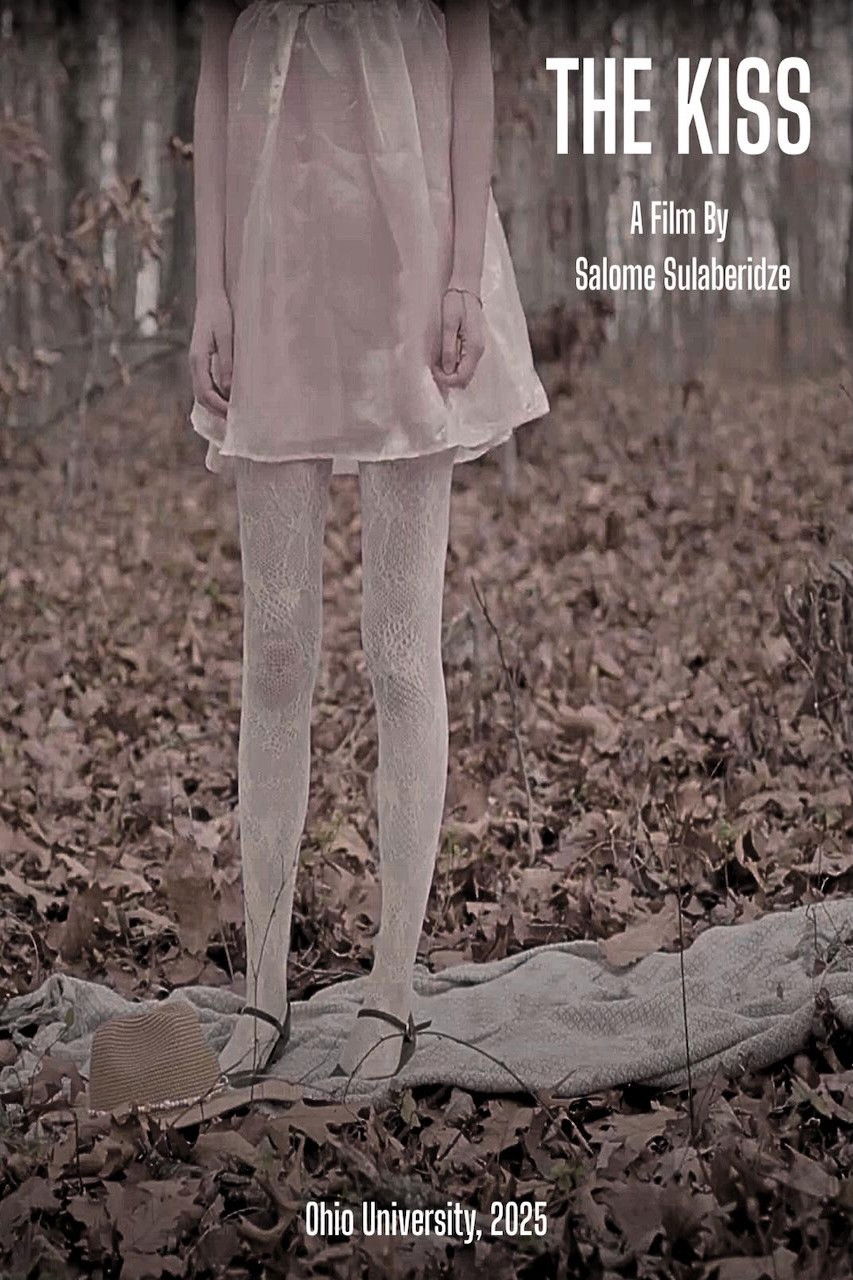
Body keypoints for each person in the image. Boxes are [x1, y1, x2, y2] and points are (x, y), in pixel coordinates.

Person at [189, 0, 548, 1084]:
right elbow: (215, 62)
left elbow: (471, 51)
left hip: (409, 245)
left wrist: (461, 275)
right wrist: (208, 288)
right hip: (273, 252)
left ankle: (393, 984)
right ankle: (263, 988)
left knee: (399, 649)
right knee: (276, 647)